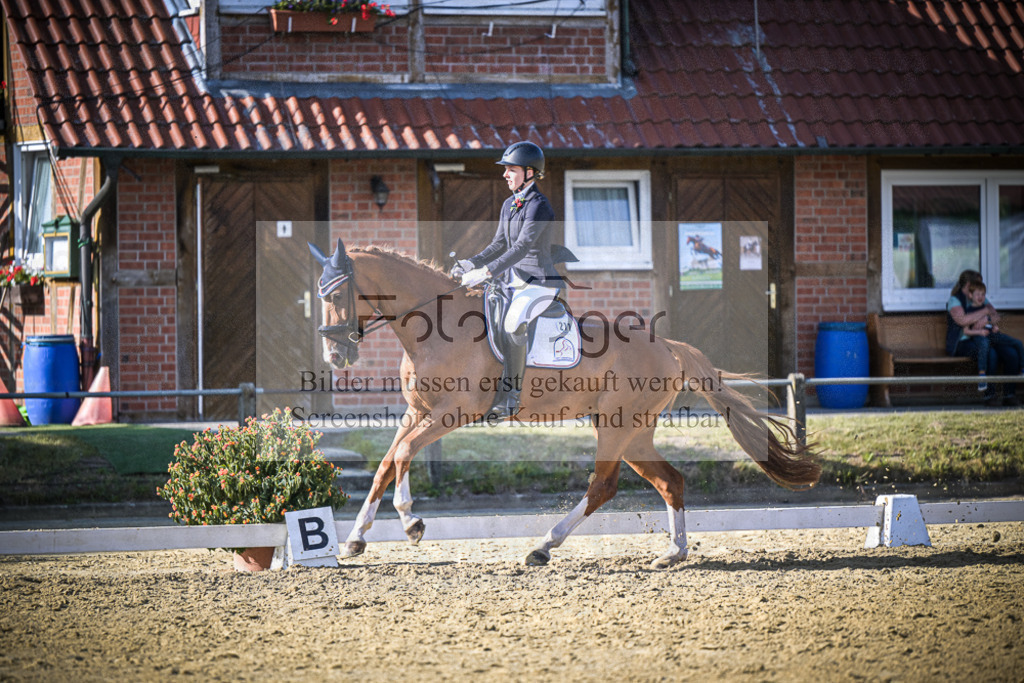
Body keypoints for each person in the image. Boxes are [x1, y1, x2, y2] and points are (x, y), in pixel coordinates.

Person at [451, 141, 564, 419]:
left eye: (510, 169)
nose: (505, 174)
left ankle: (512, 395)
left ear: (529, 172)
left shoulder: (539, 206)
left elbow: (521, 248)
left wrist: (486, 272)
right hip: (513, 282)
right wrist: (471, 262)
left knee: (513, 323)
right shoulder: (508, 204)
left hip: (539, 283)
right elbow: (498, 244)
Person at [946, 270, 1021, 406]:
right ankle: (989, 396)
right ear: (969, 284)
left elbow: (995, 316)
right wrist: (985, 313)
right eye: (978, 283)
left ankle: (1010, 395)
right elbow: (962, 320)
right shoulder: (955, 300)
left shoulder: (980, 296)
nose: (981, 287)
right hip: (964, 342)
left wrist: (986, 318)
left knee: (1012, 354)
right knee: (990, 354)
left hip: (986, 336)